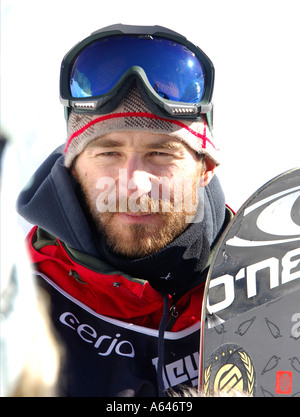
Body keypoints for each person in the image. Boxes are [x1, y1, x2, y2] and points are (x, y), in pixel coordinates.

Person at [17, 24, 233, 397]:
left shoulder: (263, 281)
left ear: (205, 169)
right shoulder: (21, 305)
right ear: (72, 166)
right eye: (109, 153)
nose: (134, 183)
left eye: (161, 153)